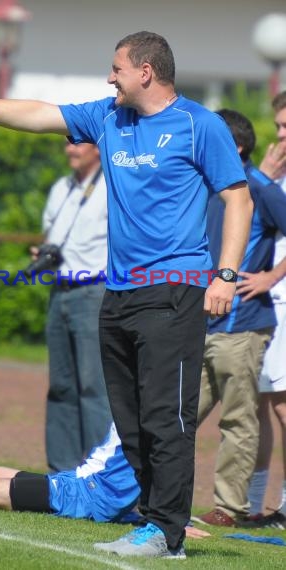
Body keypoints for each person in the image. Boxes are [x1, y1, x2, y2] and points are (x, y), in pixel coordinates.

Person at [0, 30, 252, 559]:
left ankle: (167, 534)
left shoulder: (199, 125)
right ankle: (148, 520)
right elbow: (37, 114)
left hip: (175, 291)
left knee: (166, 418)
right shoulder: (109, 118)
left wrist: (225, 277)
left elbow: (238, 198)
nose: (109, 77)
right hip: (118, 294)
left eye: (116, 68)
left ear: (145, 72)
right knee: (130, 421)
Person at [0, 420, 210, 539]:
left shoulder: (155, 403)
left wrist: (167, 521)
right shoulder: (139, 394)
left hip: (87, 495)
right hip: (81, 484)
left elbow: (164, 462)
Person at [196, 109, 286, 527]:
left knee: (238, 418)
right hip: (197, 323)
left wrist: (271, 276)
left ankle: (229, 509)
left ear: (234, 147)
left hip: (241, 324)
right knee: (175, 414)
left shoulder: (260, 189)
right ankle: (153, 495)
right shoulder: (205, 184)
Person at [34, 141, 112, 472]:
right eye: (67, 144)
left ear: (98, 148)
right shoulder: (60, 188)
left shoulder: (111, 186)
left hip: (94, 291)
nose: (70, 150)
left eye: (78, 143)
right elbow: (50, 235)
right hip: (59, 291)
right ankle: (62, 470)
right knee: (62, 385)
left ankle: (98, 471)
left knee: (94, 386)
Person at [245, 91, 286, 529]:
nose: (279, 135)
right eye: (277, 126)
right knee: (257, 404)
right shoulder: (274, 175)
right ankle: (255, 505)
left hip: (281, 300)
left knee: (281, 407)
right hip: (266, 305)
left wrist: (271, 277)